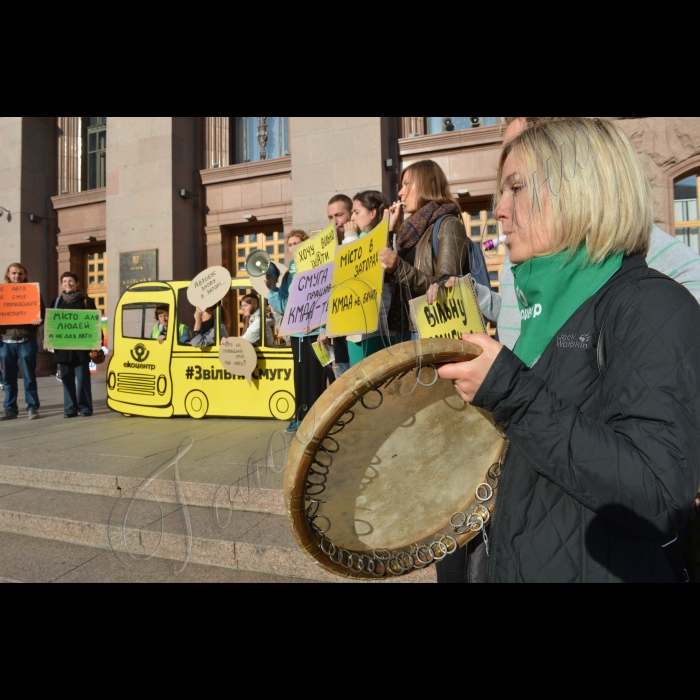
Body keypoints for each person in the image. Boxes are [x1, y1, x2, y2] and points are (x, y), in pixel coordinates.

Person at [437, 117, 700, 583]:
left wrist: (507, 391)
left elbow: (659, 493)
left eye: (515, 188)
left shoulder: (652, 304)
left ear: (577, 190)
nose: (498, 210)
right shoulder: (544, 307)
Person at [458, 117, 700, 350]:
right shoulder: (523, 248)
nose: (499, 163)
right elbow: (518, 310)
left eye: (518, 186)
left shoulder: (623, 246)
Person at [378, 160, 469, 338]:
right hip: (408, 327)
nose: (400, 192)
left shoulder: (449, 224)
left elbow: (446, 287)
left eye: (406, 184)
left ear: (426, 184)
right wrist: (388, 230)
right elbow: (388, 278)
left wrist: (399, 268)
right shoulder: (410, 232)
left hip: (430, 329)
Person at [268, 230, 328, 434]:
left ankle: (317, 418)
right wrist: (272, 290)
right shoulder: (288, 274)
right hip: (297, 333)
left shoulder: (317, 265)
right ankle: (300, 417)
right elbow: (284, 305)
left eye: (297, 243)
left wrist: (325, 328)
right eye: (290, 244)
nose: (294, 247)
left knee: (317, 376)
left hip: (315, 331)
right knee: (300, 376)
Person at [342, 191, 397, 366]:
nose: (352, 217)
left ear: (372, 213)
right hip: (356, 327)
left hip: (376, 326)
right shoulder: (359, 238)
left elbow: (353, 268)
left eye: (356, 212)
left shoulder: (382, 238)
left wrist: (350, 238)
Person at [0, 263, 44, 421]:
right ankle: (10, 409)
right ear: (9, 275)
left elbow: (41, 315)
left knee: (29, 376)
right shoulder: (2, 293)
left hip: (26, 340)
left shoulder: (32, 293)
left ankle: (32, 407)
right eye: (14, 273)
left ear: (24, 275)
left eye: (20, 274)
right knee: (8, 378)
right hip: (5, 342)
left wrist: (36, 321)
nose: (17, 276)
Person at [52, 272, 96, 419]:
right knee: (66, 379)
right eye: (64, 281)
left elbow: (94, 325)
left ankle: (85, 407)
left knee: (83, 378)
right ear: (61, 284)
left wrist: (96, 344)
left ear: (77, 283)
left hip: (81, 348)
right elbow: (51, 326)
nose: (68, 283)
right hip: (63, 349)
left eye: (71, 281)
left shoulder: (86, 301)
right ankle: (70, 409)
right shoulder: (56, 302)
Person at [326, 195, 352, 376]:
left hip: (357, 326)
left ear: (352, 213)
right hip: (337, 328)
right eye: (330, 217)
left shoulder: (361, 239)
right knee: (343, 380)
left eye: (339, 215)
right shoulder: (327, 249)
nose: (334, 221)